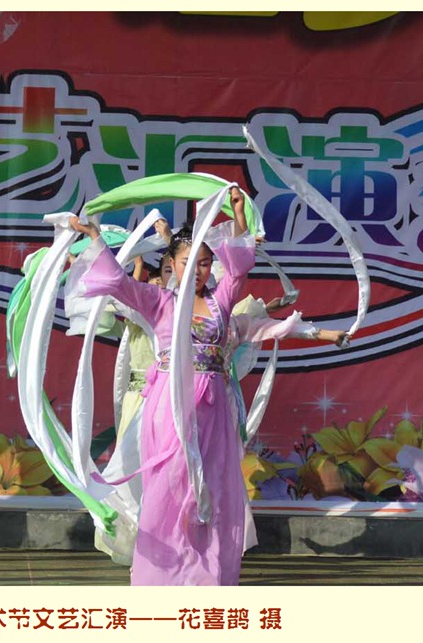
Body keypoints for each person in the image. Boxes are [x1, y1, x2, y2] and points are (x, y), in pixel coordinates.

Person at [69, 185, 254, 585]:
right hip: (171, 405)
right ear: (172, 263)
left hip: (213, 408)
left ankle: (208, 575)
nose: (198, 270)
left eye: (205, 263)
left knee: (214, 484)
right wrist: (96, 237)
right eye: (188, 262)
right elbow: (118, 283)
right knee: (171, 486)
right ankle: (161, 575)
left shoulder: (220, 301)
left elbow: (239, 270)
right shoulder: (160, 302)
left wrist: (238, 214)